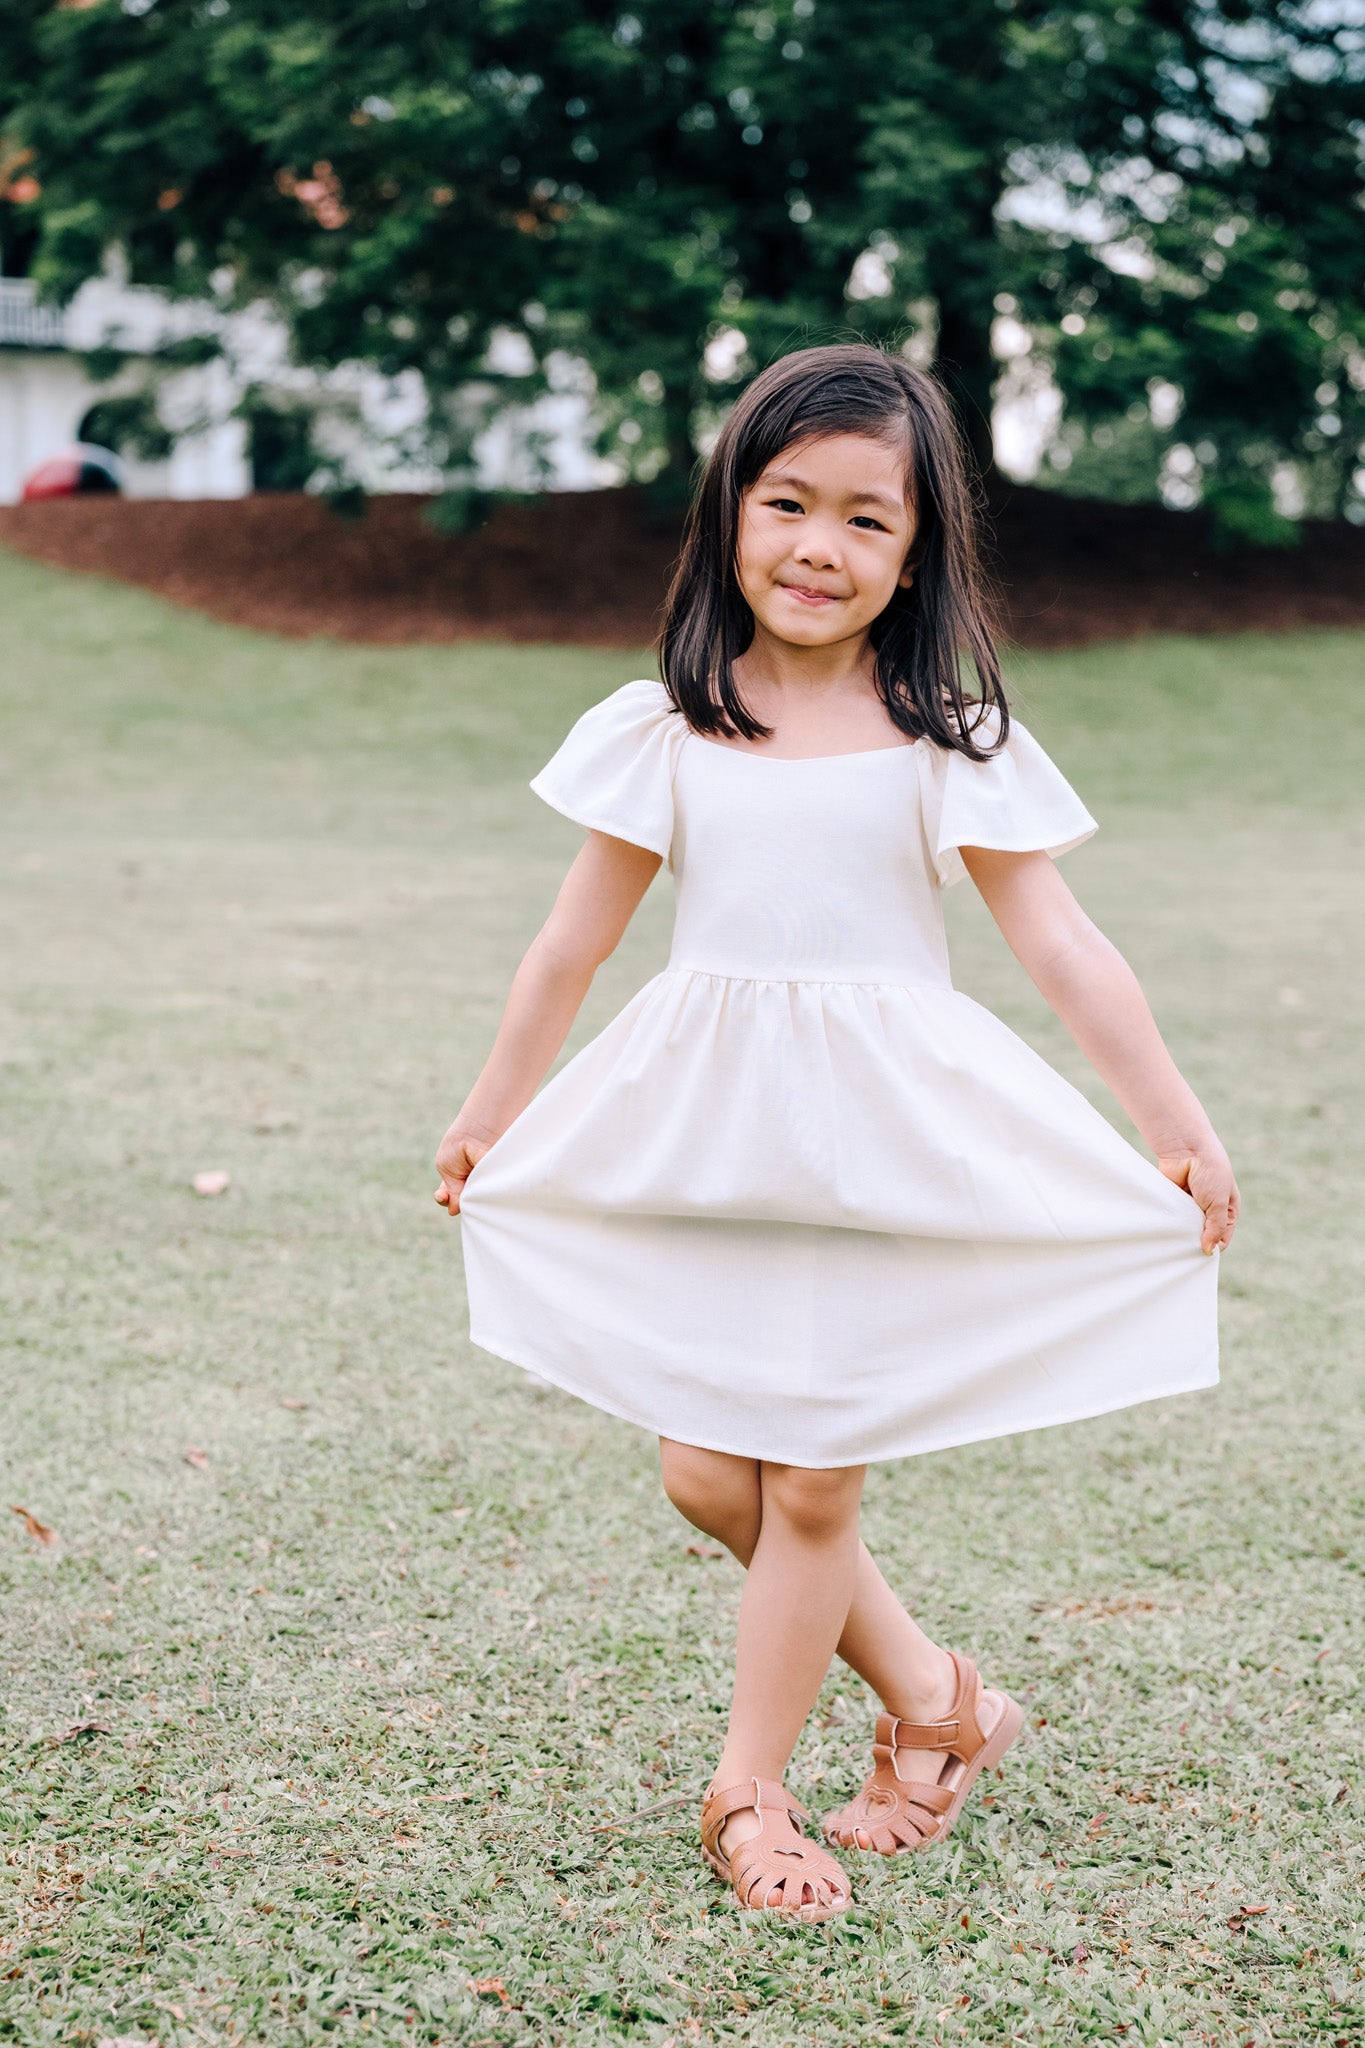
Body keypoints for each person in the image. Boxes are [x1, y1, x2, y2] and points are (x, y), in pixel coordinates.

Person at [435, 343, 1238, 1924]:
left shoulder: (948, 737)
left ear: (918, 551)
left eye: (866, 521)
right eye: (786, 503)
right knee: (703, 1473)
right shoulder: (664, 726)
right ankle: (944, 1701)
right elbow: (569, 947)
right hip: (705, 1137)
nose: (818, 546)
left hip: (882, 1150)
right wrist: (489, 1113)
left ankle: (749, 1792)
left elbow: (1061, 946)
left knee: (808, 1482)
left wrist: (1175, 1120)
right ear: (728, 512)